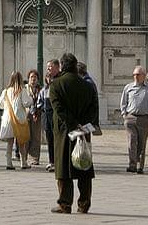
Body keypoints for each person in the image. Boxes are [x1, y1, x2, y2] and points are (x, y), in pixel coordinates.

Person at [49, 52, 98, 214]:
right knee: (83, 165)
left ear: (62, 66)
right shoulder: (88, 86)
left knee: (63, 168)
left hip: (64, 132)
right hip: (83, 131)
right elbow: (94, 109)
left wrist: (72, 124)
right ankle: (84, 204)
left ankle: (65, 203)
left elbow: (59, 109)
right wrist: (83, 125)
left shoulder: (56, 84)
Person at [120, 65, 148, 174]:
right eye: (134, 74)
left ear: (143, 76)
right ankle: (132, 165)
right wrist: (124, 115)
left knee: (142, 143)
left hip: (144, 119)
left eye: (138, 74)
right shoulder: (128, 87)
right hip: (130, 118)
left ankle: (140, 166)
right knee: (132, 142)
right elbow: (123, 102)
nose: (135, 76)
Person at [0, 71, 32, 170]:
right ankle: (23, 162)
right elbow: (26, 103)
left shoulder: (6, 91)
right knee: (21, 142)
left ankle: (9, 162)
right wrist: (31, 100)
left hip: (8, 119)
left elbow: (0, 104)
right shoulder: (22, 90)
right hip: (19, 119)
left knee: (10, 142)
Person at [36, 59, 60, 172]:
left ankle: (58, 162)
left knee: (57, 139)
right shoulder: (45, 89)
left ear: (56, 67)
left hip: (56, 115)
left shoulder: (59, 81)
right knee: (50, 138)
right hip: (47, 114)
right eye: (47, 67)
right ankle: (51, 161)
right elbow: (40, 102)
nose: (48, 69)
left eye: (50, 67)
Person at [25, 69, 42, 166]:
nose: (33, 79)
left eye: (35, 77)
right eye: (31, 77)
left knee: (36, 136)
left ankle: (35, 158)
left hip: (37, 115)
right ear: (28, 79)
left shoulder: (40, 89)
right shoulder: (25, 89)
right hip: (27, 114)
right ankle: (24, 156)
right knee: (26, 136)